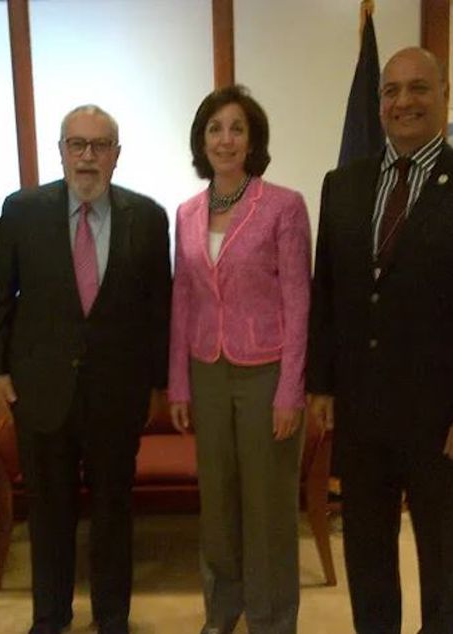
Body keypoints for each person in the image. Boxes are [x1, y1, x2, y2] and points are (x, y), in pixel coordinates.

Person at [307, 47, 453, 634]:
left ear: (444, 93)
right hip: (362, 420)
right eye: (391, 91)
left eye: (418, 88)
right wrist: (322, 385)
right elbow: (327, 291)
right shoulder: (343, 184)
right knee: (368, 560)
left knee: (446, 568)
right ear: (377, 103)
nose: (403, 101)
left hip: (446, 423)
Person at [0, 104, 171, 634]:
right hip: (42, 391)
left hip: (117, 395)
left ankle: (112, 618)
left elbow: (160, 309)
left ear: (116, 154)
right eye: (77, 145)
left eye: (100, 145)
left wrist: (158, 383)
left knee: (113, 512)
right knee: (49, 514)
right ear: (60, 150)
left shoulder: (149, 218)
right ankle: (50, 617)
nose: (88, 157)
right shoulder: (22, 210)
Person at [169, 85, 312, 634]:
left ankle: (272, 619)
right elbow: (183, 299)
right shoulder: (186, 212)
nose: (225, 139)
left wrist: (290, 390)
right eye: (214, 128)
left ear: (253, 140)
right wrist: (179, 384)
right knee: (218, 502)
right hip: (206, 370)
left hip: (266, 372)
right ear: (201, 141)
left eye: (236, 128)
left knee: (268, 506)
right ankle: (221, 610)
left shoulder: (283, 205)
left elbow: (299, 301)